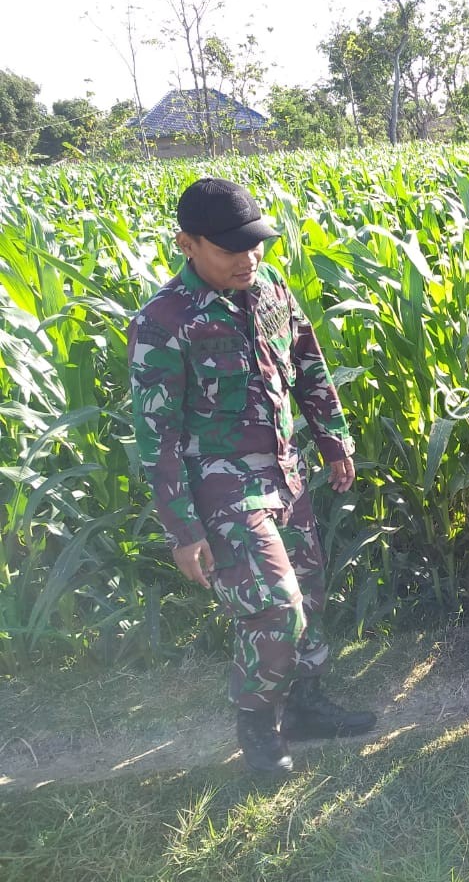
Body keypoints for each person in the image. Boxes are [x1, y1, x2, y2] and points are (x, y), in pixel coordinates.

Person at [128, 177, 375, 775]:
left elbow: (308, 363)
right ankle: (258, 726)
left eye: (256, 244)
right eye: (231, 248)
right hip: (224, 488)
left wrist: (334, 440)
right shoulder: (163, 320)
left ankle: (307, 707)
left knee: (310, 596)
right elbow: (155, 435)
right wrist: (182, 530)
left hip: (287, 476)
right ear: (187, 244)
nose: (249, 258)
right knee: (275, 607)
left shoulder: (269, 290)